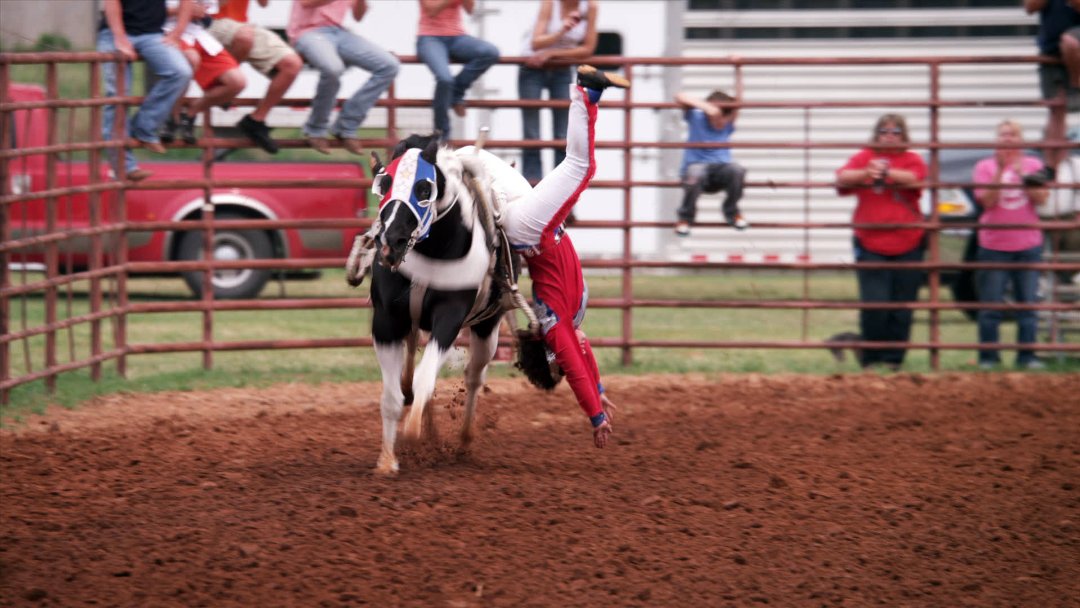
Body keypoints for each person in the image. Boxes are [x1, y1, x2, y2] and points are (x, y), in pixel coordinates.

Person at [468, 66, 627, 448]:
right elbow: (583, 355)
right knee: (581, 167)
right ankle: (587, 94)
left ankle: (585, 91)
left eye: (556, 361)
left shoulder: (553, 322)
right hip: (534, 226)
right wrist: (600, 389)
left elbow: (573, 360)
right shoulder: (564, 323)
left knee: (581, 166)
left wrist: (595, 415)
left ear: (550, 354)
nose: (565, 356)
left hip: (531, 229)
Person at [834, 114, 927, 371]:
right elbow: (841, 177)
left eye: (896, 131)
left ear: (904, 136)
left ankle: (894, 361)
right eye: (884, 131)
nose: (889, 135)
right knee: (875, 304)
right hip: (870, 241)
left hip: (908, 242)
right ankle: (872, 359)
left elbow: (916, 179)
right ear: (876, 135)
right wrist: (867, 172)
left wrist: (887, 172)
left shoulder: (912, 159)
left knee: (902, 306)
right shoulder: (865, 156)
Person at [972, 120, 1050, 370]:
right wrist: (999, 171)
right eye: (1003, 135)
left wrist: (1021, 173)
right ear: (996, 140)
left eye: (1013, 135)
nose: (1008, 139)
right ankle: (989, 357)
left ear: (1021, 140)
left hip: (1027, 244)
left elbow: (1041, 199)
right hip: (994, 245)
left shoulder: (1034, 165)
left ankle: (1027, 356)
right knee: (991, 306)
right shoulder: (984, 167)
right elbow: (987, 202)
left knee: (1027, 305)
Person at [98, 0, 195, 182]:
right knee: (117, 95)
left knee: (180, 72)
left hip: (152, 34)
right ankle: (124, 167)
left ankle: (144, 127)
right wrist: (120, 37)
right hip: (113, 33)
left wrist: (177, 33)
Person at [287, 0, 400, 155]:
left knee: (389, 65)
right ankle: (316, 129)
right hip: (307, 32)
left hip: (338, 32)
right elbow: (307, 3)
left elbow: (358, 16)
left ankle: (346, 126)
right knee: (333, 69)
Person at [207, 0, 304, 153]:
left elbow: (263, 4)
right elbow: (211, 5)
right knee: (244, 37)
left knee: (291, 65)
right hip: (203, 24)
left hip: (239, 27)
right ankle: (223, 86)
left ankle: (256, 120)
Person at [518, 0, 599, 184]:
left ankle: (560, 189)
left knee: (563, 135)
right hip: (532, 67)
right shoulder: (550, 3)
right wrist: (561, 31)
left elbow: (588, 49)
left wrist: (552, 54)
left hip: (561, 68)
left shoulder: (591, 7)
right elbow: (536, 42)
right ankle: (532, 187)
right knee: (532, 134)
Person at [673, 66, 748, 237]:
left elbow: (739, 98)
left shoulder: (728, 123)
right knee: (695, 172)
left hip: (721, 172)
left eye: (723, 117)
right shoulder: (696, 116)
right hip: (697, 171)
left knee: (737, 170)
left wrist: (738, 67)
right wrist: (707, 107)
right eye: (716, 117)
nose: (719, 122)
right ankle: (685, 218)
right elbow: (679, 96)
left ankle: (732, 212)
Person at [159, 0, 246, 146]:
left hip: (197, 33)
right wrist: (181, 10)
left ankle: (190, 114)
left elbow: (208, 14)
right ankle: (172, 119)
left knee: (237, 82)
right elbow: (144, 13)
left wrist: (200, 12)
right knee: (191, 59)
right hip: (166, 31)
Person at [417, 0, 500, 141]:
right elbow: (431, 9)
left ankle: (456, 91)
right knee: (444, 78)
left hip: (457, 36)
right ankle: (441, 134)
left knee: (490, 52)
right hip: (429, 37)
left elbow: (470, 9)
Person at [1024, 0, 1080, 173]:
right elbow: (1030, 7)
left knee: (1070, 41)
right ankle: (1050, 168)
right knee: (1055, 111)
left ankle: (1077, 84)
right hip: (1051, 50)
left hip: (1076, 47)